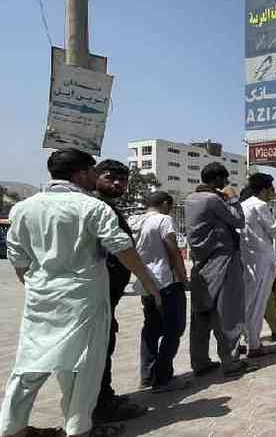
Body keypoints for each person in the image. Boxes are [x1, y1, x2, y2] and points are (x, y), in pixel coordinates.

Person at [1, 149, 161, 437]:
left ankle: (12, 428)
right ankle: (78, 429)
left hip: (41, 299)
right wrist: (149, 283)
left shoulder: (22, 208)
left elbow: (18, 259)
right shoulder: (90, 207)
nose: (95, 176)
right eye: (92, 172)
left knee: (29, 365)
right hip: (83, 300)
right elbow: (121, 246)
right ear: (81, 173)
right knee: (82, 367)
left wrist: (40, 287)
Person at [92, 160, 149, 424]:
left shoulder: (107, 208)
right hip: (95, 294)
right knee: (98, 350)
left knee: (105, 346)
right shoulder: (94, 208)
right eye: (111, 177)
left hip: (107, 297)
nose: (117, 183)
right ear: (94, 176)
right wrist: (148, 282)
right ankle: (100, 406)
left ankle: (104, 398)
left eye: (122, 179)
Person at [186, 162, 254, 379]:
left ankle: (200, 361)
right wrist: (233, 198)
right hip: (222, 259)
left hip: (201, 263)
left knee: (201, 314)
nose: (226, 184)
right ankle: (231, 361)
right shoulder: (213, 199)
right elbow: (239, 220)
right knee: (228, 312)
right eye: (224, 181)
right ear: (217, 180)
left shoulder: (191, 199)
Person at [128, 191, 190, 393]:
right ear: (165, 204)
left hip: (146, 281)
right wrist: (183, 278)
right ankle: (163, 378)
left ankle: (147, 375)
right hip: (166, 281)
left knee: (152, 328)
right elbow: (173, 251)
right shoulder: (164, 220)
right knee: (174, 328)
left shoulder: (134, 221)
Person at [239, 173, 276, 358]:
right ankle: (254, 344)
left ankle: (245, 339)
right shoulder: (260, 205)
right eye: (271, 188)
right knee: (258, 303)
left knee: (248, 301)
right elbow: (274, 231)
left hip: (248, 258)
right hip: (262, 259)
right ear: (264, 189)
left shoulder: (243, 205)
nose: (273, 191)